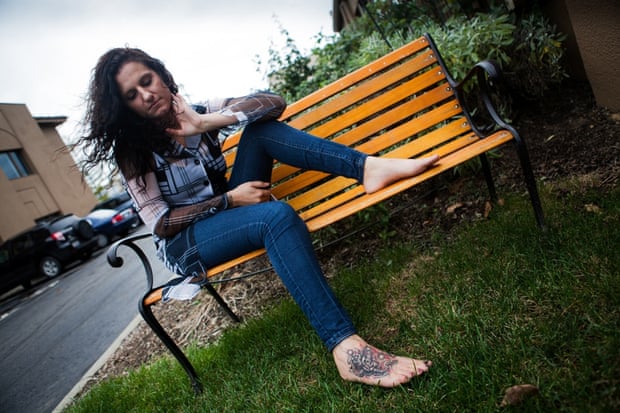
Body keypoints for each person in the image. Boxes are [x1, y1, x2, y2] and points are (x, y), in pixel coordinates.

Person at [77, 47, 438, 387]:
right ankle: (346, 348)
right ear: (126, 107)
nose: (145, 94)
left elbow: (272, 103)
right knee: (275, 217)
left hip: (227, 213)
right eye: (130, 94)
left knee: (260, 129)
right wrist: (229, 200)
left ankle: (367, 168)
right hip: (185, 242)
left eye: (146, 80)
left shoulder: (199, 111)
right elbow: (160, 222)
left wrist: (205, 123)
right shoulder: (132, 153)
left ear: (161, 75)